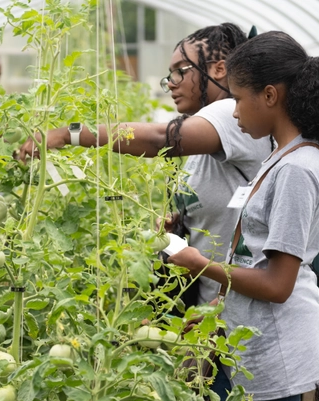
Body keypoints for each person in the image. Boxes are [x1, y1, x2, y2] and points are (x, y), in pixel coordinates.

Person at [167, 31, 319, 401]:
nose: (233, 111)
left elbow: (278, 283)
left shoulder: (295, 170)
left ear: (271, 96)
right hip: (248, 339)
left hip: (273, 344)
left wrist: (198, 263)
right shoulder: (282, 156)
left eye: (240, 99)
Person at [19, 23, 270, 308]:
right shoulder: (206, 141)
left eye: (180, 70)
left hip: (242, 311)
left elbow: (157, 140)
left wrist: (67, 134)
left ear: (219, 69)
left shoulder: (231, 114)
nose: (172, 82)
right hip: (210, 312)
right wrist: (182, 224)